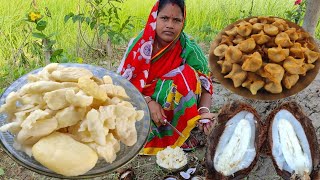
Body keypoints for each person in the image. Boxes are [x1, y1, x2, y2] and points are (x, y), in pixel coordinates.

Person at [117, 0, 215, 155]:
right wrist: (148, 102)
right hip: (139, 102)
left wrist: (203, 112)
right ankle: (150, 133)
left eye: (176, 20)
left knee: (185, 75)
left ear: (183, 22)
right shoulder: (139, 46)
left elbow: (205, 84)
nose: (170, 25)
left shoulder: (187, 47)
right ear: (155, 18)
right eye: (164, 18)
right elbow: (122, 85)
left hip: (171, 106)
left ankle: (180, 133)